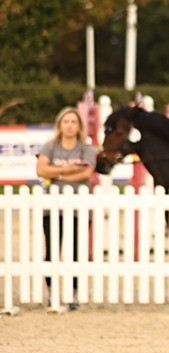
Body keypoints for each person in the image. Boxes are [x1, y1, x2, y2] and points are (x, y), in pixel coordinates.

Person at [35, 107, 96, 311]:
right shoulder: (50, 146)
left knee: (76, 251)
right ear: (60, 125)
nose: (69, 126)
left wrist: (57, 174)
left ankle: (74, 293)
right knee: (52, 250)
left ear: (79, 126)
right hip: (52, 208)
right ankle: (52, 292)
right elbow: (41, 169)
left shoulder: (85, 148)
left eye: (73, 122)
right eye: (66, 122)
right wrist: (68, 169)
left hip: (79, 208)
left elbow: (86, 172)